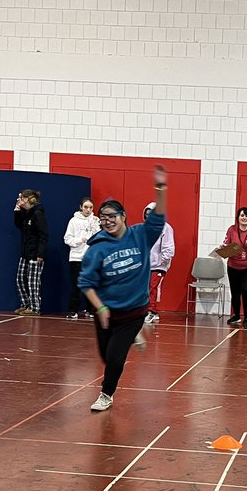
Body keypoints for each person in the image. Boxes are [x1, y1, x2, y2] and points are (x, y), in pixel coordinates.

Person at [79, 167, 168, 412]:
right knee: (106, 356)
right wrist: (101, 307)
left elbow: (158, 217)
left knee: (116, 359)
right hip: (107, 311)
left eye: (111, 216)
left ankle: (106, 395)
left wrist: (160, 190)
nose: (107, 220)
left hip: (134, 312)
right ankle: (130, 339)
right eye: (102, 217)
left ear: (123, 216)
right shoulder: (97, 248)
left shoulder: (141, 235)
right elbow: (86, 283)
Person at [221, 206, 247, 329]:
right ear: (238, 218)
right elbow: (226, 244)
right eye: (242, 215)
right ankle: (237, 315)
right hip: (233, 265)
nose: (244, 218)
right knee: (235, 292)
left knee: (245, 289)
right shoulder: (232, 230)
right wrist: (223, 248)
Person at [13, 188, 48, 316]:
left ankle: (35, 308)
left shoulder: (38, 213)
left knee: (33, 281)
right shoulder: (26, 212)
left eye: (20, 198)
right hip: (25, 253)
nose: (18, 200)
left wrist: (40, 253)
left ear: (27, 199)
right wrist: (17, 212)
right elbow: (19, 225)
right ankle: (25, 304)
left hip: (34, 253)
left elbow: (43, 235)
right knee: (20, 279)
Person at [63, 197, 99, 319]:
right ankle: (73, 310)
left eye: (90, 208)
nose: (88, 210)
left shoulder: (96, 221)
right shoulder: (73, 221)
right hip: (76, 258)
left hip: (90, 258)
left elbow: (99, 238)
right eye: (86, 207)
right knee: (76, 285)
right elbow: (67, 239)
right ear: (81, 207)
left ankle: (90, 310)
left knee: (91, 285)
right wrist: (80, 240)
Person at [143, 202, 176, 323]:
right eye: (146, 214)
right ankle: (151, 311)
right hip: (147, 265)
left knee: (153, 287)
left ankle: (151, 311)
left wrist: (162, 262)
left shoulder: (166, 228)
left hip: (159, 265)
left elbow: (169, 247)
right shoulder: (145, 228)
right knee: (146, 288)